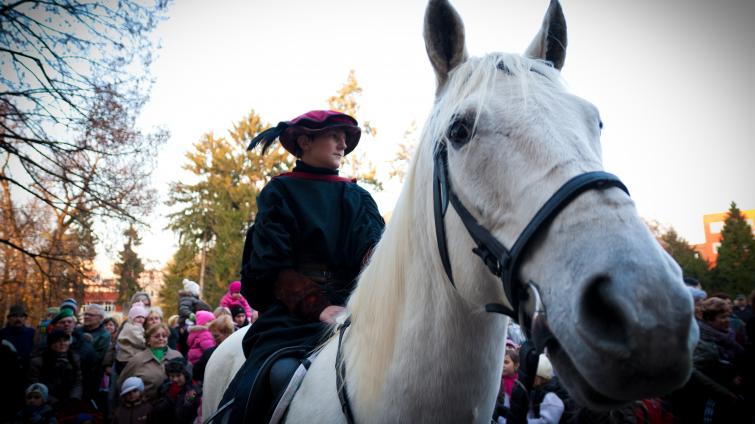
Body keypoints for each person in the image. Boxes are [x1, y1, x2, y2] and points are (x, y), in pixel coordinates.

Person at [225, 110, 385, 421]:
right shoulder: (280, 192)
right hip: (292, 315)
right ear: (305, 140)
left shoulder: (358, 196)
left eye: (345, 139)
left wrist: (377, 264)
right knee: (271, 376)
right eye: (334, 136)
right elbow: (272, 267)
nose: (342, 144)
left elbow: (372, 254)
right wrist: (318, 306)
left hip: (353, 308)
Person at [117, 323, 182, 402]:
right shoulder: (137, 359)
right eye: (157, 336)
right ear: (148, 340)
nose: (161, 338)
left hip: (174, 407)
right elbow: (122, 383)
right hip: (146, 408)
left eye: (164, 336)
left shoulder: (177, 356)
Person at [27, 329, 83, 406]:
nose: (62, 344)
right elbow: (34, 384)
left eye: (65, 340)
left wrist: (74, 398)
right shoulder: (38, 361)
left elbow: (78, 381)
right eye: (58, 341)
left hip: (69, 399)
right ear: (50, 344)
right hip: (46, 401)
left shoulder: (74, 358)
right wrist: (53, 401)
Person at [151, 358, 200, 424]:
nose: (175, 379)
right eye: (172, 376)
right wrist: (170, 396)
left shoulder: (193, 390)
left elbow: (182, 417)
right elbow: (157, 410)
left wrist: (188, 402)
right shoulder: (166, 387)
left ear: (186, 375)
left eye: (178, 375)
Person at [193, 315, 235, 383]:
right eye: (213, 336)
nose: (213, 339)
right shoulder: (209, 353)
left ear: (228, 333)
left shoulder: (211, 353)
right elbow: (196, 373)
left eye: (216, 336)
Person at [0, 304, 36, 371]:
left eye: (21, 316)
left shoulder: (32, 332)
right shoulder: (2, 333)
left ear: (25, 318)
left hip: (26, 371)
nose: (18, 319)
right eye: (15, 316)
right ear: (9, 318)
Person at [115, 302, 148, 373]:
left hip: (127, 357)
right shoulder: (132, 328)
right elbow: (141, 342)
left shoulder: (134, 326)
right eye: (138, 317)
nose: (141, 319)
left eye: (143, 317)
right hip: (127, 359)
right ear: (132, 318)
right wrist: (150, 343)